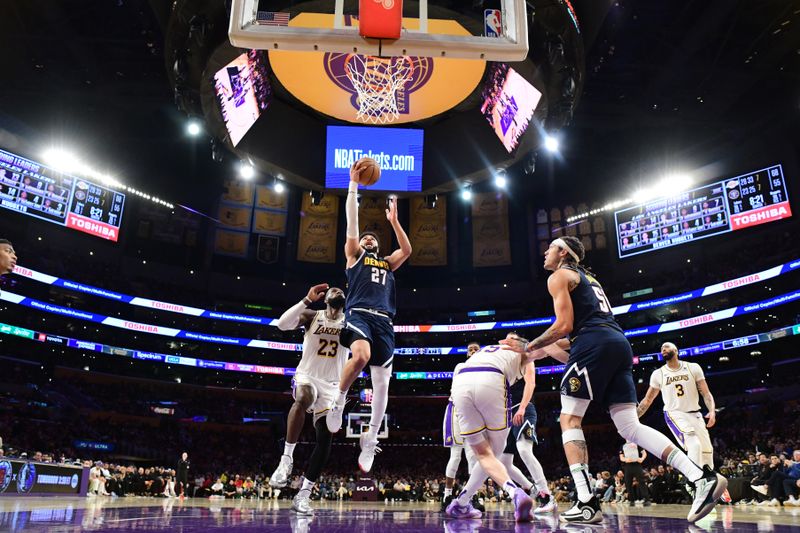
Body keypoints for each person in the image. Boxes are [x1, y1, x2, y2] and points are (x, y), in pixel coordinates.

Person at [502, 236, 726, 524]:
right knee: (630, 426)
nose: (545, 252)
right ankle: (700, 477)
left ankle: (586, 501)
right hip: (617, 344)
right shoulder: (588, 279)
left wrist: (527, 347)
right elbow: (572, 341)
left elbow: (564, 327)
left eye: (550, 248)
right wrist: (536, 351)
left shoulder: (559, 275)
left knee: (569, 420)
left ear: (562, 252)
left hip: (593, 344)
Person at [326, 159, 412, 474]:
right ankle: (338, 400)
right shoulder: (354, 257)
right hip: (359, 313)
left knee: (383, 385)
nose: (369, 239)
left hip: (385, 322)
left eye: (373, 239)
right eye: (365, 239)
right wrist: (353, 185)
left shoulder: (387, 263)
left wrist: (394, 220)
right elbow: (352, 223)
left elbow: (408, 250)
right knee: (360, 355)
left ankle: (371, 436)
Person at [269, 283, 348, 515]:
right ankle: (286, 460)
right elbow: (282, 324)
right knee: (303, 397)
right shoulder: (312, 315)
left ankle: (303, 494)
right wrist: (305, 299)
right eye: (333, 290)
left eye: (341, 292)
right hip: (308, 376)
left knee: (325, 438)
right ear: (325, 299)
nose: (337, 292)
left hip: (333, 385)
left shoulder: (350, 322)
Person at [444, 334, 541, 522]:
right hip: (491, 379)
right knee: (494, 453)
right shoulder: (522, 349)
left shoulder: (486, 351)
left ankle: (461, 502)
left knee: (483, 455)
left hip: (461, 386)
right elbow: (547, 348)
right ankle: (518, 492)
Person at [637, 342, 717, 471]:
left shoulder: (693, 367)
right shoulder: (659, 373)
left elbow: (706, 393)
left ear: (676, 350)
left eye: (667, 346)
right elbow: (648, 400)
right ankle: (694, 479)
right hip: (674, 413)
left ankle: (709, 479)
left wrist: (712, 411)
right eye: (662, 348)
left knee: (707, 450)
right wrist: (634, 417)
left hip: (695, 414)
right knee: (694, 445)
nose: (663, 349)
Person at [501, 336, 555, 514]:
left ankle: (546, 495)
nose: (508, 343)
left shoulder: (527, 359)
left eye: (512, 340)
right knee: (504, 463)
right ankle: (531, 489)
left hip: (523, 410)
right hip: (506, 415)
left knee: (524, 450)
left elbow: (530, 384)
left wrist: (522, 407)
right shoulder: (505, 366)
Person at [441, 341, 480, 512]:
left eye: (476, 349)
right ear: (467, 354)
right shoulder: (461, 366)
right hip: (457, 410)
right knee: (456, 455)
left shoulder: (486, 370)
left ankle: (473, 495)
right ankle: (447, 495)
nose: (472, 351)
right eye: (470, 349)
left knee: (473, 457)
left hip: (474, 412)